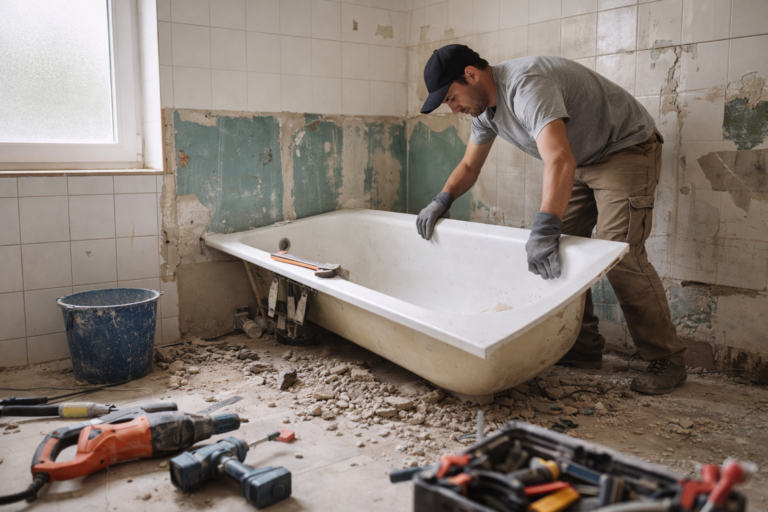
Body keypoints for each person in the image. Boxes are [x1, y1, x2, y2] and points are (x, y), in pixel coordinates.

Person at [416, 44, 688, 395]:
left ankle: (667, 358)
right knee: (558, 253)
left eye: (452, 98)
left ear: (471, 74)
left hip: (623, 148)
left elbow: (558, 158)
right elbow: (470, 165)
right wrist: (443, 199)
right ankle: (582, 346)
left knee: (620, 255)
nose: (454, 109)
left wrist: (544, 228)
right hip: (579, 159)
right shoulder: (484, 113)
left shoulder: (526, 86)